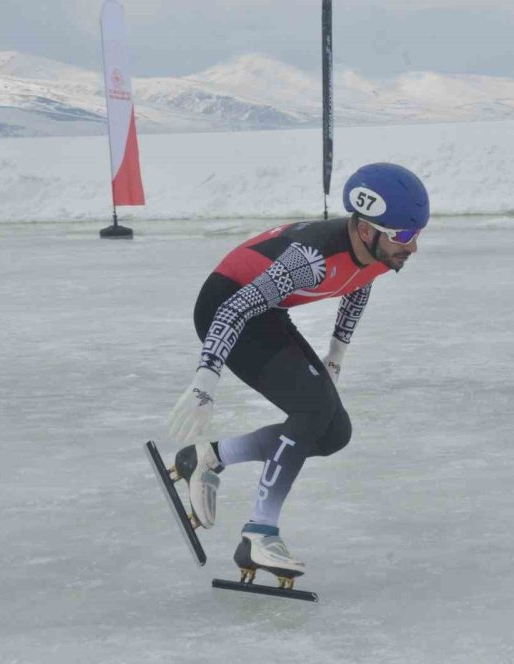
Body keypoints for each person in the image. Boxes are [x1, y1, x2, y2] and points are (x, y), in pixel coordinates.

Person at [166, 162, 429, 585]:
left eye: (416, 234)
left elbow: (358, 287)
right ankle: (259, 531)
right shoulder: (310, 260)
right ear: (365, 230)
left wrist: (334, 358)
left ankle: (209, 457)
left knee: (332, 432)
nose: (412, 247)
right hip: (225, 308)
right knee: (312, 409)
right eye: (403, 236)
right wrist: (204, 382)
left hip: (267, 314)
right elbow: (233, 310)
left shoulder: (381, 254)